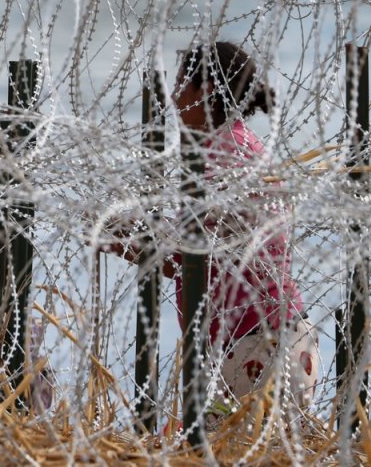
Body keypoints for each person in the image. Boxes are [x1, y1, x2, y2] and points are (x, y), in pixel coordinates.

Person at [102, 42, 319, 409]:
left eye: (181, 85)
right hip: (275, 339)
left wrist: (118, 238)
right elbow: (203, 246)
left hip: (256, 349)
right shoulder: (237, 145)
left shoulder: (225, 156)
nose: (171, 97)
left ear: (205, 92)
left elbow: (189, 258)